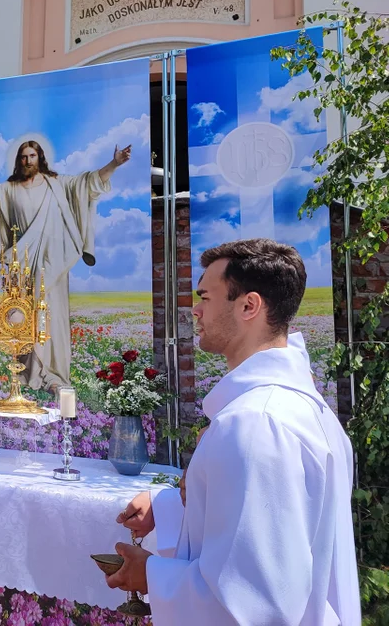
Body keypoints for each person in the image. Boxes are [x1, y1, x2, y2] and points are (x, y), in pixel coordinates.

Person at [108, 239, 360, 625]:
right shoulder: (301, 407)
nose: (195, 309)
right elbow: (278, 531)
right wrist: (167, 508)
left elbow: (254, 602)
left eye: (206, 296)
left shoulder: (258, 423)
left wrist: (151, 575)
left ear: (248, 306)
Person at [0, 139, 130, 392]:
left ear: (40, 157)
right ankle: (28, 372)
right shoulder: (9, 189)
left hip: (54, 262)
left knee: (53, 315)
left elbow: (89, 183)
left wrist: (115, 163)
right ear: (19, 160)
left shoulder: (58, 185)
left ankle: (53, 377)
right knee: (24, 315)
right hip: (24, 266)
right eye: (23, 156)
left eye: (32, 155)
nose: (28, 160)